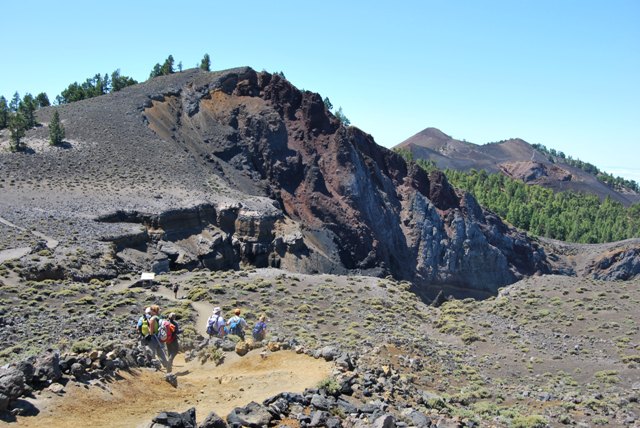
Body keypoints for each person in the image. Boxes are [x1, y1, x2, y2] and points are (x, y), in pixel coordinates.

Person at [145, 304, 170, 370]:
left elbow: (151, 331)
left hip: (154, 337)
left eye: (151, 310)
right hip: (160, 337)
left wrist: (148, 327)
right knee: (161, 352)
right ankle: (166, 365)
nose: (150, 311)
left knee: (152, 352)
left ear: (153, 311)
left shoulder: (152, 319)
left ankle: (154, 366)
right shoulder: (159, 317)